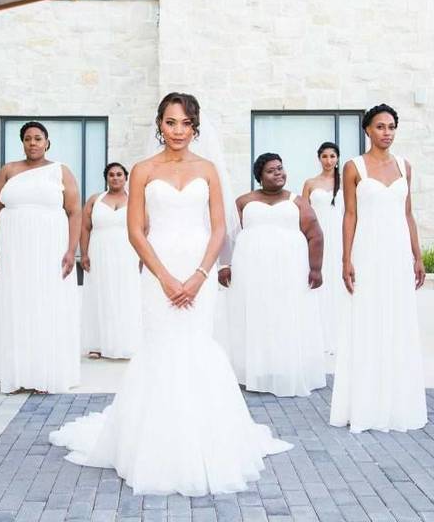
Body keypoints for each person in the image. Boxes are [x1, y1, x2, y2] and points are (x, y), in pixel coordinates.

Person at [49, 93, 291, 496]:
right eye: (170, 122)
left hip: (200, 268)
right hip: (158, 269)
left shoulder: (208, 169)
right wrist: (163, 277)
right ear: (158, 125)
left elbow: (219, 229)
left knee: (196, 344)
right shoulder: (142, 170)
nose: (178, 131)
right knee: (162, 346)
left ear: (196, 127)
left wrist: (199, 276)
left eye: (185, 123)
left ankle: (207, 439)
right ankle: (154, 444)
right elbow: (135, 230)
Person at [330, 104, 428, 432]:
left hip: (398, 252)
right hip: (367, 252)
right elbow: (349, 215)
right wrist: (346, 259)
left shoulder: (405, 166)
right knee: (367, 321)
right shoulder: (353, 166)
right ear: (367, 130)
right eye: (380, 127)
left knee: (398, 321)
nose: (386, 132)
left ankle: (398, 403)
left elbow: (408, 213)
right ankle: (365, 405)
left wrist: (417, 255)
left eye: (391, 127)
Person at [0, 121, 82, 394]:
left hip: (49, 249)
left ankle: (47, 372)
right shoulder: (8, 171)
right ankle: (18, 373)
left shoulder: (60, 172)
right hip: (14, 251)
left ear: (47, 142)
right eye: (27, 139)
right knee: (17, 304)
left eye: (38, 138)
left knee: (46, 303)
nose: (32, 143)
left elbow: (75, 212)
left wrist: (71, 249)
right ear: (22, 143)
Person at [224, 152, 326, 397]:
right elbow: (226, 236)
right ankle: (256, 369)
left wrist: (316, 268)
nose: (278, 173)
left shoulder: (298, 201)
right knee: (258, 315)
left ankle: (287, 368)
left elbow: (315, 234)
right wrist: (224, 266)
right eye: (271, 170)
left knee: (286, 315)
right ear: (260, 176)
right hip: (251, 272)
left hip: (290, 270)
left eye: (280, 168)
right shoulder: (243, 201)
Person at [80, 162, 142, 360]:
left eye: (119, 175)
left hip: (127, 251)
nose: (115, 178)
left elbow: (145, 227)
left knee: (126, 294)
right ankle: (97, 344)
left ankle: (127, 343)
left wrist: (142, 255)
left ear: (126, 178)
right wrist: (84, 254)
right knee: (100, 293)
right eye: (111, 175)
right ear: (106, 178)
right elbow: (84, 228)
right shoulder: (94, 200)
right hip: (99, 251)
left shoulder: (136, 200)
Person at [303, 142, 347, 355]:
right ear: (319, 158)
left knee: (337, 283)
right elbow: (303, 213)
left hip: (339, 236)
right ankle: (317, 337)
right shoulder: (310, 183)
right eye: (325, 156)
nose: (329, 160)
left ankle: (339, 336)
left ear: (338, 158)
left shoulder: (346, 184)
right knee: (318, 284)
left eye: (332, 156)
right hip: (317, 236)